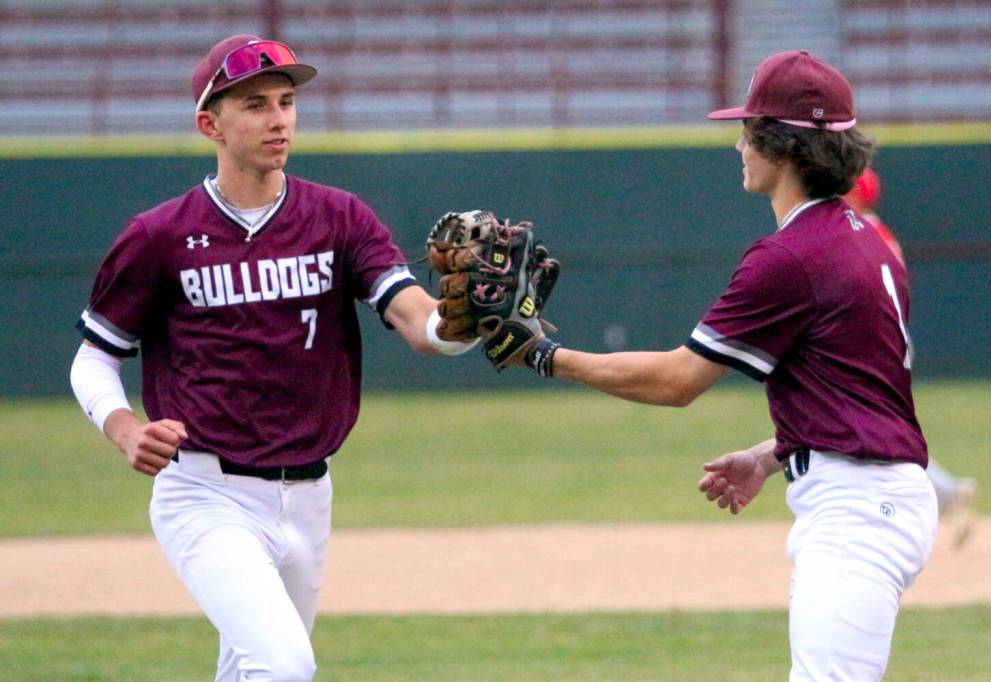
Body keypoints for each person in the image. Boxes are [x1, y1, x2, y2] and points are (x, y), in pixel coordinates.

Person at [496, 50, 938, 680]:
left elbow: (678, 381)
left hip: (859, 507)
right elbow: (859, 393)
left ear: (782, 145)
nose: (739, 144)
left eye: (749, 130)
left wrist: (543, 355)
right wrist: (773, 453)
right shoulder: (864, 239)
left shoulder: (792, 255)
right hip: (873, 494)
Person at [69, 35, 477, 681]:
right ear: (211, 124)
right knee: (282, 666)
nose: (278, 118)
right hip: (206, 489)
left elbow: (419, 325)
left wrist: (464, 318)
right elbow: (95, 357)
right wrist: (122, 428)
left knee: (249, 669)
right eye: (255, 104)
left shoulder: (338, 216)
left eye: (286, 102)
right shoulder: (160, 235)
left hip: (310, 492)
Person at [844, 168, 977, 547]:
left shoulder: (863, 235)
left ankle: (945, 493)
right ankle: (946, 492)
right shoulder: (878, 233)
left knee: (876, 431)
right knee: (875, 428)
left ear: (857, 196)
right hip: (886, 345)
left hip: (876, 347)